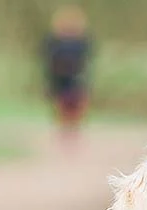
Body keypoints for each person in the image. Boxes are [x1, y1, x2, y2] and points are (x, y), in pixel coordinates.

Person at [43, 6, 93, 147]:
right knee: (62, 108)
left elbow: (87, 60)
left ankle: (74, 134)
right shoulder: (53, 41)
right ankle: (64, 135)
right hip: (59, 79)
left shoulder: (82, 41)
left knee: (77, 107)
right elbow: (48, 60)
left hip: (76, 78)